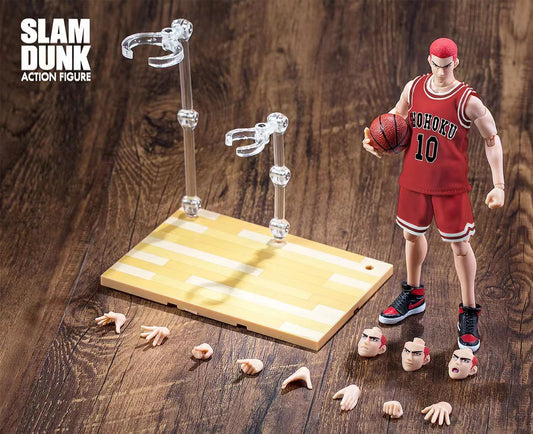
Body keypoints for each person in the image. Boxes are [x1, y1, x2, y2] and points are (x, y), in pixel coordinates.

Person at [362, 38, 505, 352]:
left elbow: (492, 138)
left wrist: (499, 185)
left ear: (456, 63)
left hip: (450, 185)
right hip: (415, 179)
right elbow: (394, 118)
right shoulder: (413, 88)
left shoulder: (467, 100)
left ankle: (469, 311)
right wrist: (375, 139)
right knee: (411, 236)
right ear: (429, 61)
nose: (441, 71)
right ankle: (413, 294)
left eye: (447, 66)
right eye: (437, 65)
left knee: (460, 246)